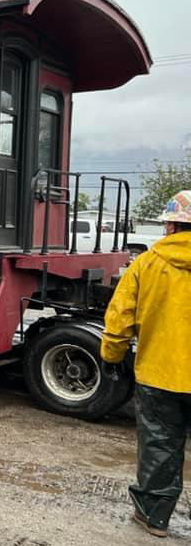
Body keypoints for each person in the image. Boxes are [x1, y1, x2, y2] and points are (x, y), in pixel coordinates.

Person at [101, 189, 191, 538]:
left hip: (159, 376)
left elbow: (119, 320)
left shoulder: (146, 264)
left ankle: (154, 518)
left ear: (169, 225)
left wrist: (111, 357)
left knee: (160, 447)